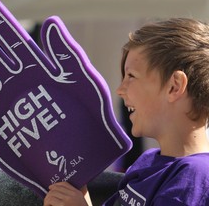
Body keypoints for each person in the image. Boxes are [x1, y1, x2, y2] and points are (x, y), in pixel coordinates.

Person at [43, 18, 209, 206]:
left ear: (174, 86)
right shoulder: (147, 161)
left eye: (131, 76)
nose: (120, 90)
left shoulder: (194, 177)